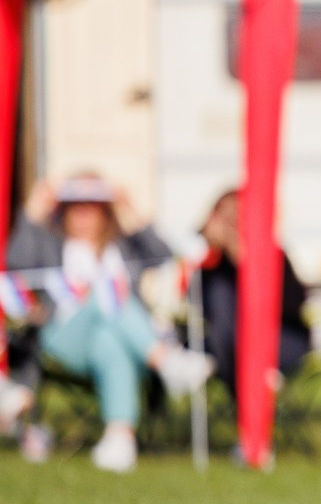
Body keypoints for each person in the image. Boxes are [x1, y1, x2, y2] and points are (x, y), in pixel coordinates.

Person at [5, 174, 210, 472]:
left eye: (93, 207)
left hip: (119, 340)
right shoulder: (50, 244)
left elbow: (163, 255)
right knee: (107, 294)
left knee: (109, 341)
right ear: (63, 211)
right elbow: (16, 262)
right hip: (62, 337)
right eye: (76, 207)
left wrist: (133, 210)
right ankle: (166, 361)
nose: (84, 215)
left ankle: (119, 440)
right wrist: (33, 213)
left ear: (106, 212)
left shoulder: (122, 247)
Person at [193, 187, 313, 408]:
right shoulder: (214, 266)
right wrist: (215, 251)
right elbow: (201, 306)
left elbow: (292, 305)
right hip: (229, 344)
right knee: (223, 337)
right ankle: (253, 410)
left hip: (280, 337)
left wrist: (245, 261)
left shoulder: (273, 256)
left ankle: (251, 418)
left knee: (232, 351)